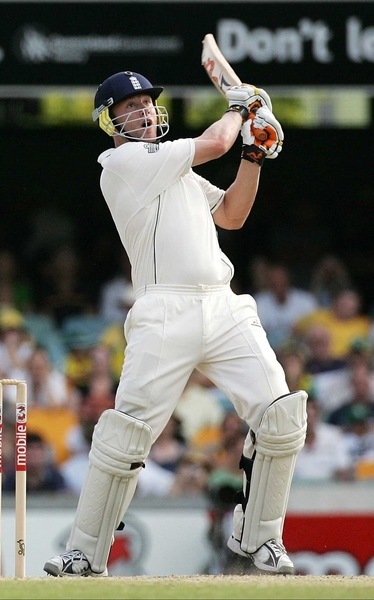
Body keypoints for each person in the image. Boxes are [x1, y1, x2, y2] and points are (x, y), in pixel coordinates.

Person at [44, 72, 306, 578]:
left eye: (147, 102)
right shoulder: (122, 164)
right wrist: (242, 108)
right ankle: (84, 553)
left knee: (281, 415)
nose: (144, 110)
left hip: (223, 304)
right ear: (109, 121)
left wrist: (253, 155)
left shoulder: (177, 170)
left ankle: (259, 539)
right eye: (130, 105)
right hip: (164, 310)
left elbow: (232, 215)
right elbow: (215, 142)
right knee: (127, 433)